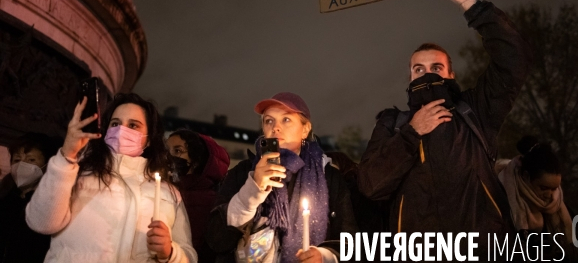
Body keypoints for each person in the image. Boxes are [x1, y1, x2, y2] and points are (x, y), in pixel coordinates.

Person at [357, 0, 532, 256]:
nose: (427, 73)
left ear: (451, 74)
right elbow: (370, 186)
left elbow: (514, 58)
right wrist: (412, 133)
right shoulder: (392, 124)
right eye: (419, 68)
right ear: (409, 76)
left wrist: (467, 4)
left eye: (436, 67)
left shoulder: (476, 110)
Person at [25, 93, 197, 263]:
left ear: (149, 139)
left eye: (133, 125)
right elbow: (41, 223)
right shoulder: (75, 172)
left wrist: (170, 253)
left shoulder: (169, 193)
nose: (122, 130)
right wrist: (66, 157)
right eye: (115, 124)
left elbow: (189, 254)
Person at [206, 92, 357, 263]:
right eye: (269, 121)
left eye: (286, 120)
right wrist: (252, 190)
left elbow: (349, 243)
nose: (275, 127)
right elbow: (216, 240)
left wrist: (324, 256)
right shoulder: (243, 173)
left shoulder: (328, 177)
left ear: (305, 129)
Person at [498, 136, 578, 261]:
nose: (550, 195)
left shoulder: (560, 209)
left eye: (554, 188)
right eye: (544, 188)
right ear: (526, 177)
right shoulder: (500, 202)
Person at [166, 129, 230, 261]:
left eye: (178, 151)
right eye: (167, 151)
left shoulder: (210, 200)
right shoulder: (166, 190)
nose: (170, 157)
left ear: (196, 160)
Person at [0, 133, 60, 262]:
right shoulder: (5, 198)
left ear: (47, 164)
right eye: (17, 160)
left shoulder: (52, 205)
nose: (22, 164)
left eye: (31, 160)